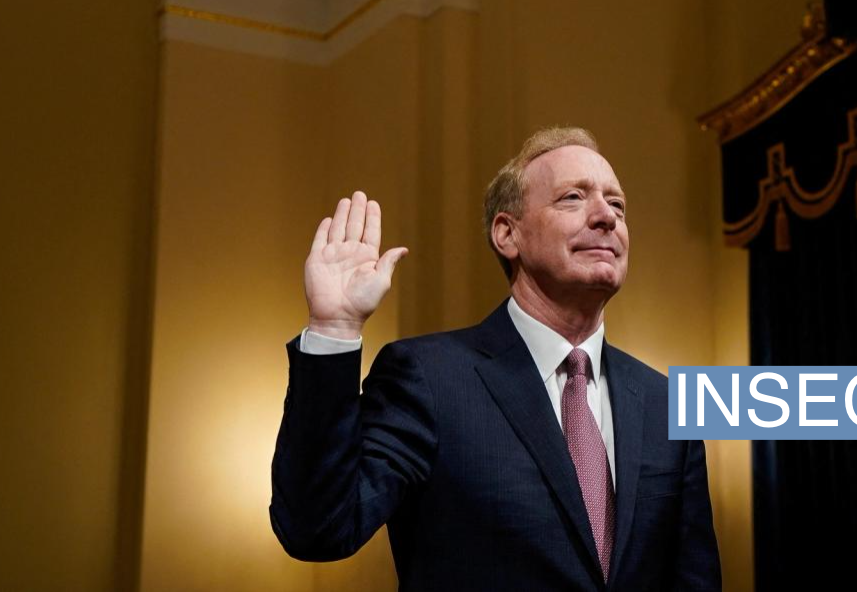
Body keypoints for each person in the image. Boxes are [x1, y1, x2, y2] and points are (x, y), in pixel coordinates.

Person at [270, 127, 721, 590]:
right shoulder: (428, 378)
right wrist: (334, 328)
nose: (607, 216)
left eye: (618, 205)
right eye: (572, 197)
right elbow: (317, 529)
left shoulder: (667, 401)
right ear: (507, 234)